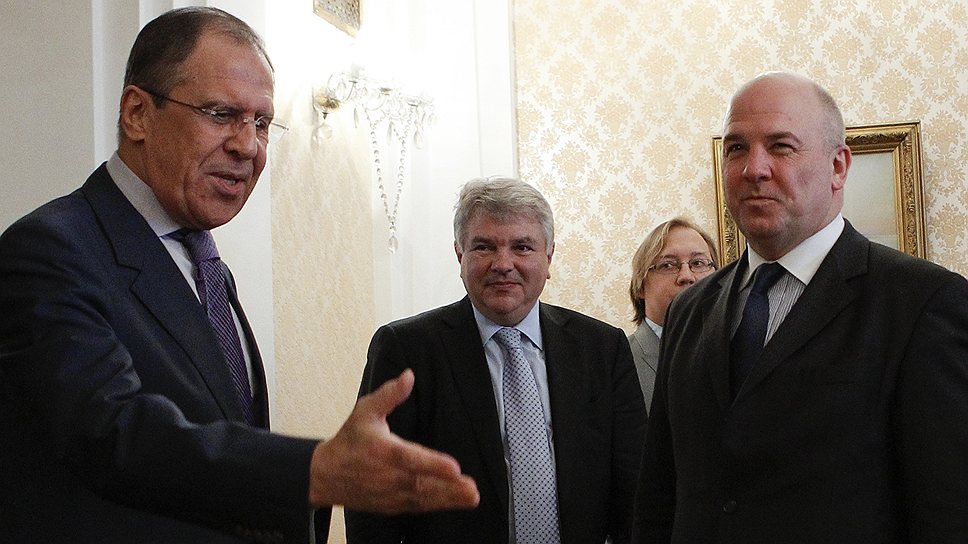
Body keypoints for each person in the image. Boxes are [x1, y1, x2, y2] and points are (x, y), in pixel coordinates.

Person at [0, 8, 477, 543]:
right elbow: (115, 435)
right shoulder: (51, 251)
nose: (247, 146)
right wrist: (312, 471)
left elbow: (227, 431)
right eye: (221, 113)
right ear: (137, 114)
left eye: (262, 123)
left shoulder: (207, 267)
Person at [632, 71, 968, 543]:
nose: (754, 169)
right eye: (736, 148)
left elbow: (948, 511)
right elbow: (659, 498)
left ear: (838, 167)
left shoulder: (922, 303)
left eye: (781, 147)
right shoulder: (690, 311)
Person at [344, 177, 648, 543]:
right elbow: (372, 495)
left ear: (549, 257)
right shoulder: (407, 349)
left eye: (522, 247)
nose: (503, 264)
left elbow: (636, 492)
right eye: (484, 247)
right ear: (460, 255)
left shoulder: (602, 349)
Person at [627, 218, 717, 412]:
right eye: (668, 265)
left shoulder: (736, 352)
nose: (687, 276)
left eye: (698, 263)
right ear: (640, 286)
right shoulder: (618, 361)